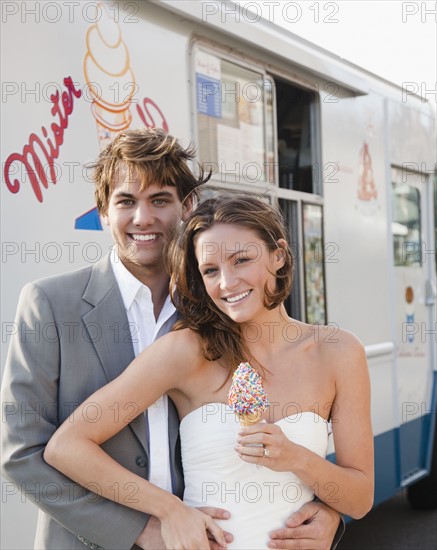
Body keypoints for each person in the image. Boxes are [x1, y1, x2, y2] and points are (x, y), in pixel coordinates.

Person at [1, 129, 344, 550]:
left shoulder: (222, 304)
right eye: (126, 201)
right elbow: (21, 453)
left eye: (160, 200)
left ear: (186, 207)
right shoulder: (50, 304)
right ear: (103, 213)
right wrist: (147, 526)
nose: (143, 218)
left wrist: (328, 512)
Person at [44, 194, 374, 549]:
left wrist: (299, 460)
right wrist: (169, 511)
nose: (227, 283)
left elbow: (359, 498)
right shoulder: (186, 351)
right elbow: (66, 446)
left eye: (242, 260)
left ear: (278, 255)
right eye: (211, 270)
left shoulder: (339, 351)